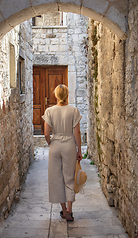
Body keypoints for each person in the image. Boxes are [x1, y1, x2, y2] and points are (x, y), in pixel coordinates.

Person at [42, 84, 82, 221]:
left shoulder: (49, 111)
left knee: (56, 177)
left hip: (55, 144)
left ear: (55, 95)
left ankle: (64, 210)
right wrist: (79, 150)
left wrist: (50, 143)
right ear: (67, 95)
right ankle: (70, 209)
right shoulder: (74, 110)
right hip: (69, 145)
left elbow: (46, 133)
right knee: (69, 176)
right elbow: (77, 132)